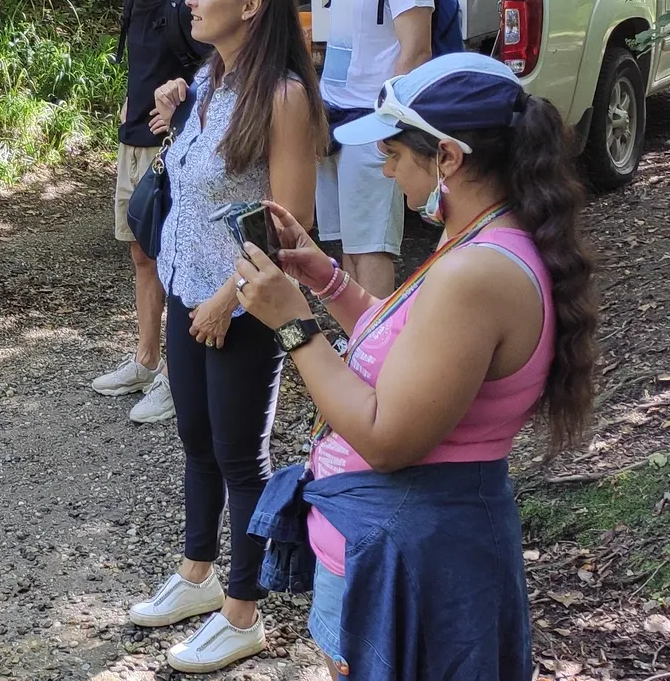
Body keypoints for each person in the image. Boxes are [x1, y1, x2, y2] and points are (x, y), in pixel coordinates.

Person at [233, 52, 598, 680]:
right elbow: (408, 352)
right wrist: (328, 280)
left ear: (448, 158)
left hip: (411, 555)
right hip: (400, 541)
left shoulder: (476, 272)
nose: (385, 166)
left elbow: (385, 438)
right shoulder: (480, 239)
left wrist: (293, 327)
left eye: (396, 154)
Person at [130, 0, 325, 674]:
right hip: (186, 289)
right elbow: (203, 187)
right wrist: (177, 111)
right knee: (197, 438)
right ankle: (197, 576)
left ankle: (243, 614)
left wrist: (225, 301)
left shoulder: (282, 97)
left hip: (242, 307)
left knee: (243, 457)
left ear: (249, 7)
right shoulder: (211, 77)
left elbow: (287, 225)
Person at [92, 0, 208, 425]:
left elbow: (220, 72)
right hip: (131, 143)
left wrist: (183, 102)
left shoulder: (184, 5)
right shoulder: (133, 2)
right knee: (142, 254)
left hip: (169, 152)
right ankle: (144, 361)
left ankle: (175, 379)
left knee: (174, 257)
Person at [300, 0, 433, 298]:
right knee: (346, 245)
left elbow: (416, 51)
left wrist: (390, 125)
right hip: (334, 119)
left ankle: (373, 348)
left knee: (372, 246)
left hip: (371, 120)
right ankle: (356, 339)